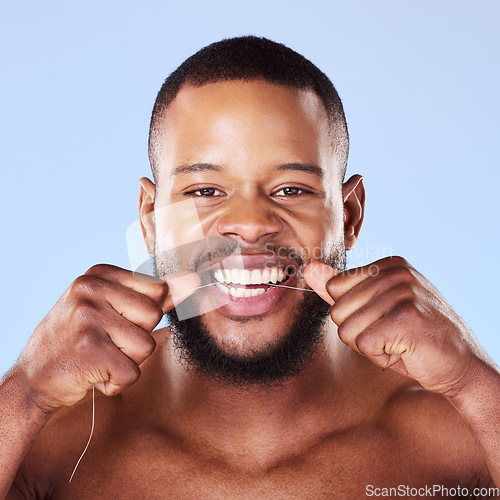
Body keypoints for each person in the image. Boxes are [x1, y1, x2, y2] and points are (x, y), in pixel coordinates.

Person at [1, 36, 499, 499]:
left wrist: (475, 384)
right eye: (205, 191)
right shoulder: (50, 435)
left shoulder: (460, 430)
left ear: (348, 216)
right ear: (151, 221)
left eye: (291, 190)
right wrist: (23, 393)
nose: (249, 224)